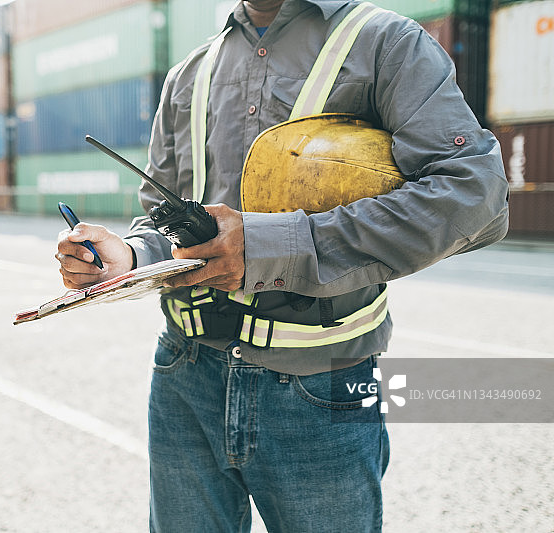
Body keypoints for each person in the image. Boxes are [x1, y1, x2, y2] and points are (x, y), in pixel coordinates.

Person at [56, 0, 509, 531]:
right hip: (184, 374)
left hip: (317, 388)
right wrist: (128, 257)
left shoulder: (386, 42)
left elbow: (476, 198)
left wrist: (274, 245)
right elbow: (169, 221)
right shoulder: (189, 75)